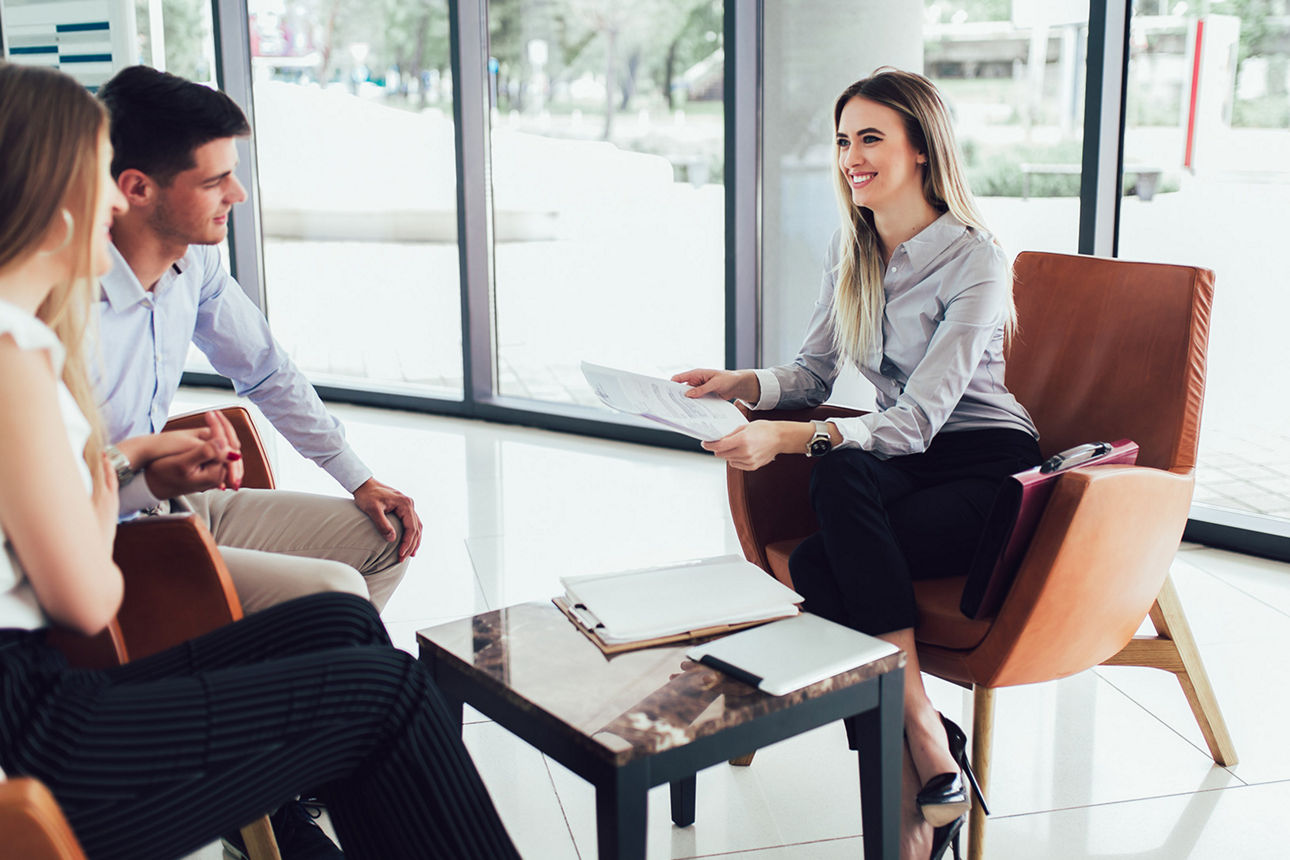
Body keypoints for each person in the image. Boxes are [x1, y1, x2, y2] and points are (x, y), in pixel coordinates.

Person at [0, 61, 517, 860]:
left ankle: (304, 799)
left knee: (344, 618)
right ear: (64, 201)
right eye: (92, 179)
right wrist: (110, 480)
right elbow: (87, 597)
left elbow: (265, 368)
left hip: (52, 674)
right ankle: (305, 782)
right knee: (387, 696)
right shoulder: (20, 351)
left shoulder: (41, 337)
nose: (105, 202)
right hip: (44, 732)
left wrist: (129, 456)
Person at [674, 68, 1041, 860]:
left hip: (982, 465)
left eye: (870, 138)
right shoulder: (855, 249)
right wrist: (742, 385)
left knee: (819, 560)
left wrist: (787, 438)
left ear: (921, 148)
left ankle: (917, 749)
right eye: (844, 141)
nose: (851, 157)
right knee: (837, 480)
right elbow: (809, 379)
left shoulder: (977, 259)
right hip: (899, 459)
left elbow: (915, 421)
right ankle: (927, 742)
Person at [92, 64, 422, 614]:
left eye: (233, 173)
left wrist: (358, 478)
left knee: (382, 543)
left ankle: (311, 676)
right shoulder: (58, 308)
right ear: (137, 189)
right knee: (333, 600)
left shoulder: (194, 261)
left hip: (168, 502)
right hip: (102, 536)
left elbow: (267, 369)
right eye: (213, 181)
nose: (238, 194)